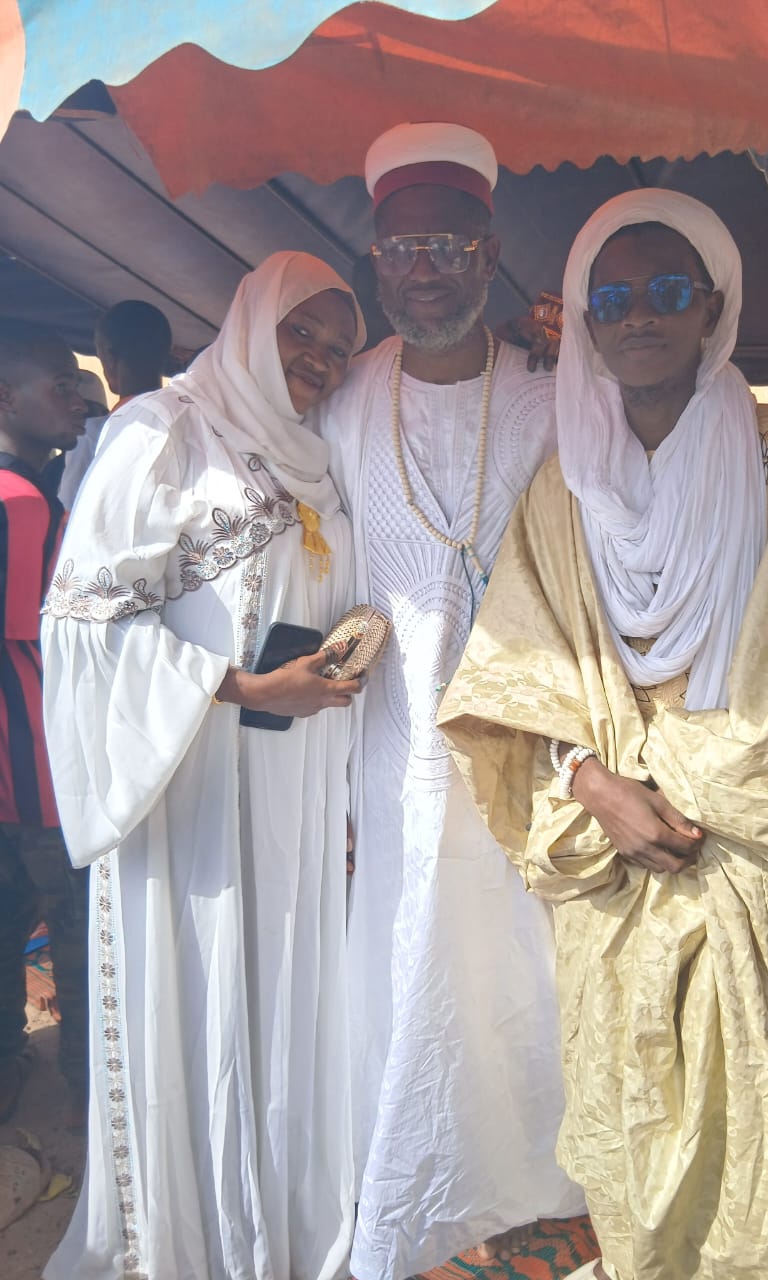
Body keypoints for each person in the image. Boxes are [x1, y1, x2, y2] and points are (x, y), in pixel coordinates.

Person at [438, 190, 768, 1280]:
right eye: (611, 299)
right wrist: (594, 783)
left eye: (665, 290)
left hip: (752, 843)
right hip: (610, 848)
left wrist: (666, 785)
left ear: (712, 308)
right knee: (625, 1098)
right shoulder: (564, 487)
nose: (639, 315)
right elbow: (518, 669)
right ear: (585, 323)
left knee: (754, 1121)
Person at [41, 252, 367, 1280]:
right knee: (194, 991)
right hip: (187, 783)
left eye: (337, 345)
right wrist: (240, 687)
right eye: (300, 330)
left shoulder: (320, 457)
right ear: (251, 319)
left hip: (292, 784)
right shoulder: (165, 432)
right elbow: (83, 621)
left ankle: (270, 1222)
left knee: (275, 999)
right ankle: (189, 1239)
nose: (318, 358)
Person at [320, 122, 583, 1280]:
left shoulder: (549, 398)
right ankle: (411, 1169)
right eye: (401, 247)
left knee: (520, 957)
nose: (422, 268)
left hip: (525, 741)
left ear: (490, 254)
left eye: (447, 245)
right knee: (406, 947)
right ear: (376, 259)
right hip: (390, 748)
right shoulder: (342, 398)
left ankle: (529, 1167)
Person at [0, 320, 89, 1130]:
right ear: (6, 398)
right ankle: (96, 1096)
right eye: (59, 383)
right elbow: (48, 640)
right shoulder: (24, 504)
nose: (78, 396)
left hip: (13, 773)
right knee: (78, 939)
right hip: (41, 775)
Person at [59, 301, 172, 511]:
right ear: (167, 354)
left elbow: (70, 512)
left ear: (108, 356)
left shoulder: (92, 436)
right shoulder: (191, 425)